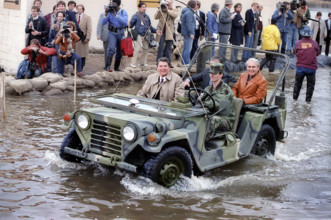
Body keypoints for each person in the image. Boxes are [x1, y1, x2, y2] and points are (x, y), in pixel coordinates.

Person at [200, 63, 235, 140]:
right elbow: (202, 99)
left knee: (212, 120)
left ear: (221, 75)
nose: (211, 75)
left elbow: (219, 106)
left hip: (224, 119)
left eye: (214, 73)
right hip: (210, 114)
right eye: (210, 73)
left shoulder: (226, 90)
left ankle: (203, 142)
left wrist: (206, 103)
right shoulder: (208, 88)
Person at [293, 26, 321, 103]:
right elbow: (318, 53)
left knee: (297, 84)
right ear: (310, 34)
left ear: (302, 34)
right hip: (311, 68)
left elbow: (296, 53)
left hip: (300, 67)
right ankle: (308, 102)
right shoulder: (314, 43)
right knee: (310, 86)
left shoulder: (298, 43)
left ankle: (294, 100)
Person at [102, 0, 128, 72]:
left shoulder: (123, 12)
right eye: (112, 4)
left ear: (118, 5)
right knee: (111, 49)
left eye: (114, 4)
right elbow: (103, 23)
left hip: (121, 33)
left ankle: (116, 68)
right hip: (112, 33)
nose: (113, 5)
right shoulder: (109, 12)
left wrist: (116, 15)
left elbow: (125, 22)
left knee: (119, 51)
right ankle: (107, 66)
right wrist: (106, 14)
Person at [129, 2, 156, 67]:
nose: (144, 8)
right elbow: (131, 25)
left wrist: (156, 31)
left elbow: (150, 26)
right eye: (143, 7)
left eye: (145, 7)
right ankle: (132, 63)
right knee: (137, 48)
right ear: (139, 8)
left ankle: (142, 63)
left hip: (146, 34)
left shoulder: (147, 16)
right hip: (138, 34)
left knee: (146, 49)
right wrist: (128, 24)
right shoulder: (135, 16)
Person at [154, 0, 178, 66]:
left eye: (170, 3)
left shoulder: (174, 9)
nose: (168, 4)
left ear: (172, 3)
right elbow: (156, 17)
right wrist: (159, 9)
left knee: (168, 48)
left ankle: (169, 63)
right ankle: (158, 62)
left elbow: (175, 15)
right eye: (167, 3)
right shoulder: (162, 8)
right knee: (160, 48)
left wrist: (167, 10)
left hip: (169, 32)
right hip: (161, 31)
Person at [75, 4, 92, 71]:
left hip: (83, 39)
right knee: (76, 55)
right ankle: (76, 69)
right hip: (75, 39)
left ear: (82, 10)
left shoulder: (87, 17)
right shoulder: (74, 16)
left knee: (82, 55)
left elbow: (89, 28)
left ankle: (80, 69)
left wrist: (88, 38)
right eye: (77, 9)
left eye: (80, 9)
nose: (78, 10)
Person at [180, 0, 196, 65]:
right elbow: (189, 24)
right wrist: (191, 33)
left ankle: (183, 62)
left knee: (185, 48)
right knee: (188, 48)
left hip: (185, 32)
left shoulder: (185, 12)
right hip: (188, 33)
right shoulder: (189, 13)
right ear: (193, 5)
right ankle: (186, 62)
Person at [97, 5, 110, 70]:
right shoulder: (102, 14)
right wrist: (98, 34)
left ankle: (109, 65)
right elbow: (99, 25)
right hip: (105, 35)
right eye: (105, 8)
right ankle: (106, 64)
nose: (106, 9)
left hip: (113, 35)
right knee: (106, 50)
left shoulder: (114, 14)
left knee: (110, 50)